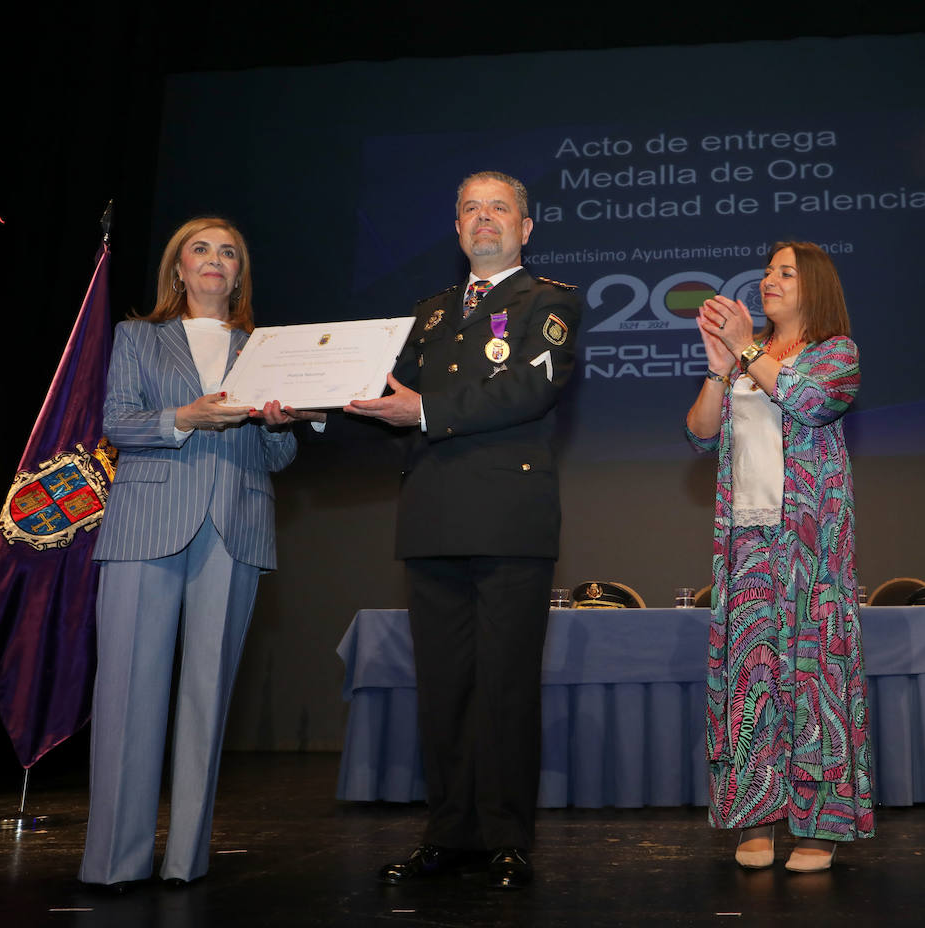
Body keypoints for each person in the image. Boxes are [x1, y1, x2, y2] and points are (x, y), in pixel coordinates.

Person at [335, 171, 580, 890]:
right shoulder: (431, 314)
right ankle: (446, 833)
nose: (484, 220)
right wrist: (313, 406)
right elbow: (384, 399)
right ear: (456, 228)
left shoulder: (551, 302)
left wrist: (423, 412)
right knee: (443, 690)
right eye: (470, 209)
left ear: (525, 229)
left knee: (504, 687)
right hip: (433, 518)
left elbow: (528, 387)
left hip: (510, 519)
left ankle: (507, 838)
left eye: (499, 209)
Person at [80, 217, 299, 889]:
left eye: (229, 252)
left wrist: (282, 424)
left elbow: (279, 456)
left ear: (239, 274)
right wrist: (183, 418)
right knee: (126, 694)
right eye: (200, 249)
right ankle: (116, 862)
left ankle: (186, 861)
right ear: (178, 268)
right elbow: (116, 422)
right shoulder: (137, 336)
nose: (215, 260)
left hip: (235, 520)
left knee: (208, 696)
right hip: (147, 520)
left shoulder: (263, 347)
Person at [685, 241, 874, 873]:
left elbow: (810, 401)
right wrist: (719, 367)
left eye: (785, 273)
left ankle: (820, 826)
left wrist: (745, 350)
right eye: (767, 272)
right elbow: (700, 433)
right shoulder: (746, 359)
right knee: (753, 678)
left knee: (814, 675)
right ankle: (757, 816)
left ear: (814, 286)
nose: (769, 281)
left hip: (810, 546)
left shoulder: (835, 353)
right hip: (747, 545)